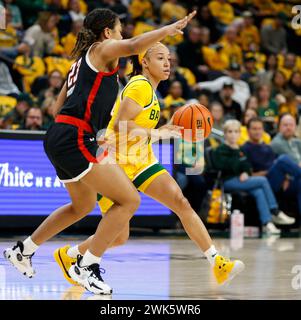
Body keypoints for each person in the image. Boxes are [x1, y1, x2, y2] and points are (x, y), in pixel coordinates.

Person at [3, 8, 198, 295]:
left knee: (82, 207)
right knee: (129, 200)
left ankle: (24, 249)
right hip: (75, 138)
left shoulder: (80, 64)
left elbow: (57, 108)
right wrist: (168, 29)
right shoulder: (103, 49)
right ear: (108, 33)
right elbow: (133, 46)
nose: (122, 37)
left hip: (59, 135)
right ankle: (86, 265)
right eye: (120, 30)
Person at [54, 42, 244, 291]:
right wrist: (159, 132)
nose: (167, 63)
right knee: (120, 237)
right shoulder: (140, 86)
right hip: (114, 163)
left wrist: (161, 132)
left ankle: (217, 262)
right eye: (160, 58)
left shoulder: (151, 91)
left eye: (169, 59)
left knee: (181, 202)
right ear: (144, 62)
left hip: (141, 160)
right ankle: (73, 256)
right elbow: (123, 124)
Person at [211, 119, 287, 234]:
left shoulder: (240, 149)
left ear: (240, 134)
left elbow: (247, 166)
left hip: (241, 180)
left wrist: (245, 172)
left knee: (258, 191)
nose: (233, 135)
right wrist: (237, 157)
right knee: (262, 180)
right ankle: (275, 210)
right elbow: (225, 166)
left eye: (236, 132)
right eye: (230, 132)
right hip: (227, 181)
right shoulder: (220, 150)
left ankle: (267, 223)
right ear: (225, 134)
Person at [241, 117, 296, 224]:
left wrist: (286, 177)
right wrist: (267, 172)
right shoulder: (245, 149)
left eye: (260, 129)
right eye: (254, 129)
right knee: (283, 159)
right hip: (262, 182)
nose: (257, 132)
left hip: (275, 180)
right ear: (248, 131)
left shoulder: (267, 147)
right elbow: (249, 175)